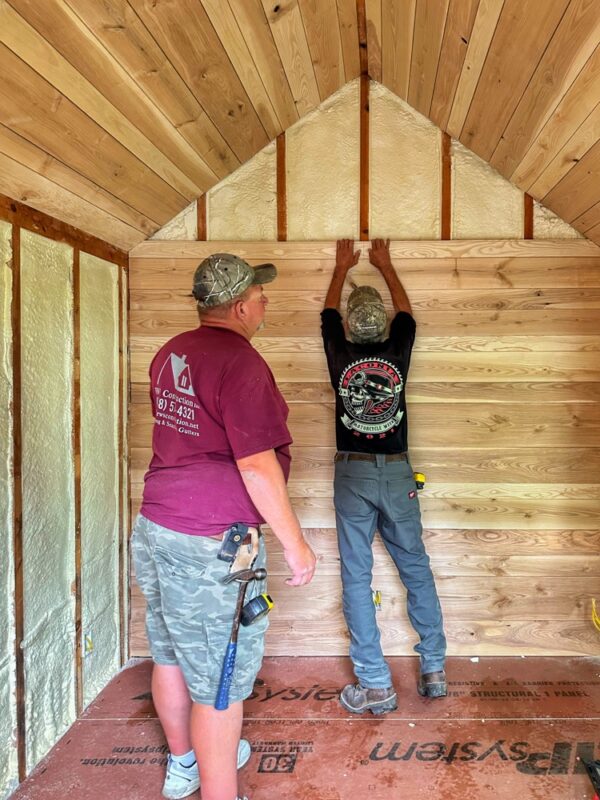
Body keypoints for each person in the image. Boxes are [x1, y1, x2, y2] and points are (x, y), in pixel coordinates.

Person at [131, 253, 316, 800]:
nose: (266, 302)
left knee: (169, 652)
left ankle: (184, 764)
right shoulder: (242, 364)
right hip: (214, 539)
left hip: (157, 525)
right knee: (220, 685)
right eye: (260, 296)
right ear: (239, 306)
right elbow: (256, 467)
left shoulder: (170, 353)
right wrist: (297, 547)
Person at [321, 238, 446, 716]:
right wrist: (387, 266)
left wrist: (340, 269)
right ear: (384, 325)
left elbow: (327, 316)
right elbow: (408, 316)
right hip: (396, 474)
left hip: (351, 473)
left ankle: (375, 685)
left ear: (351, 324)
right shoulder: (398, 353)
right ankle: (433, 669)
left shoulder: (339, 355)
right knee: (415, 567)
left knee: (356, 575)